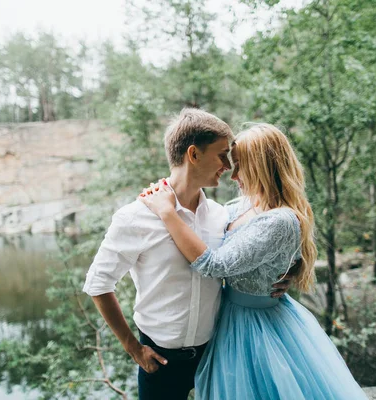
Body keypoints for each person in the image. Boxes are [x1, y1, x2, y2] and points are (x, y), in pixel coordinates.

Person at [139, 123, 369, 399]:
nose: (233, 175)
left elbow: (215, 265)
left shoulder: (280, 219)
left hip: (256, 326)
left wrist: (167, 213)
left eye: (240, 166)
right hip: (228, 316)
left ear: (263, 167)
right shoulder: (243, 205)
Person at [82, 110, 294, 400]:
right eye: (222, 155)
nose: (227, 166)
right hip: (159, 361)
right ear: (193, 154)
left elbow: (269, 228)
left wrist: (291, 267)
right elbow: (98, 284)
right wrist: (133, 348)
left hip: (218, 352)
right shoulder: (136, 217)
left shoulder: (222, 215)